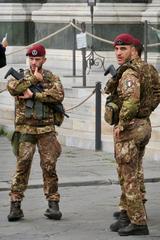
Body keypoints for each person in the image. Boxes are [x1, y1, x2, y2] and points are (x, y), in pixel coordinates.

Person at [104, 33, 160, 236]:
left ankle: (137, 222)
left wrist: (123, 122)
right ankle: (126, 214)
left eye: (123, 49)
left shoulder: (129, 73)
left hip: (130, 128)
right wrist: (146, 113)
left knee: (128, 176)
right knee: (133, 172)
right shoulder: (147, 68)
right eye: (116, 49)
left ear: (133, 50)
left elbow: (131, 101)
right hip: (143, 125)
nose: (118, 53)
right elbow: (156, 92)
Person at [7, 43, 64, 222]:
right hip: (25, 130)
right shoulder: (21, 77)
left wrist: (35, 95)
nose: (34, 62)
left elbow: (58, 95)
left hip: (46, 130)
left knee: (49, 166)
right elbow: (13, 88)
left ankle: (53, 204)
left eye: (37, 59)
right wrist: (32, 80)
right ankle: (15, 205)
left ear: (44, 60)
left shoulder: (51, 77)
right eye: (31, 59)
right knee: (22, 166)